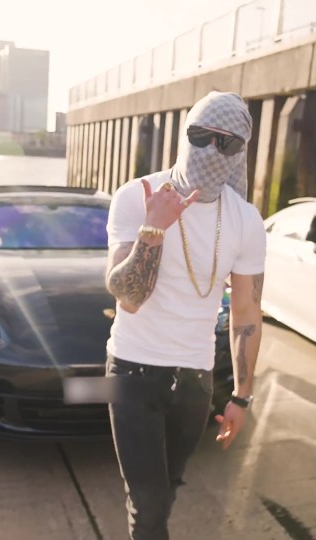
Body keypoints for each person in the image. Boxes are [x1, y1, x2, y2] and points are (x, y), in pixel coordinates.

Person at [104, 91, 265, 539]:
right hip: (132, 370)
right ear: (184, 135)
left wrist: (242, 395)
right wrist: (153, 230)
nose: (211, 151)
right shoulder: (138, 196)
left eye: (227, 144)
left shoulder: (246, 220)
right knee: (149, 501)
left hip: (195, 378)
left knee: (166, 491)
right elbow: (127, 298)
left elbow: (248, 312)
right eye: (201, 136)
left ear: (240, 152)